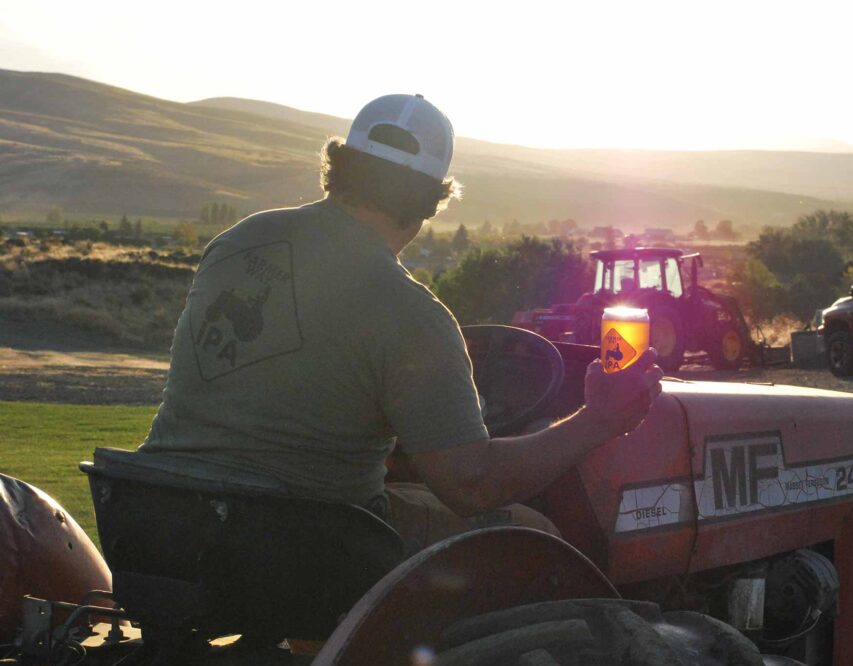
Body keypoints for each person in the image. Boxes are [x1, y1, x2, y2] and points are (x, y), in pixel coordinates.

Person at [139, 94, 663, 550]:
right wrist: (600, 420)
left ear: (338, 166)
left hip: (161, 518)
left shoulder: (240, 240)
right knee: (533, 538)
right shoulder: (412, 315)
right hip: (297, 544)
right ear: (430, 201)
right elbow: (471, 485)